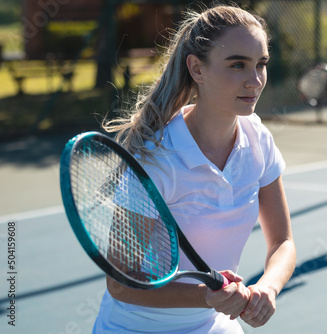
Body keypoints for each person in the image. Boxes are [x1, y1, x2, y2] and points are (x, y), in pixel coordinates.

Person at [92, 4, 296, 333]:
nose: (255, 80)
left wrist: (268, 288)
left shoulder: (259, 139)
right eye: (238, 65)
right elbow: (120, 283)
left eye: (261, 64)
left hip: (213, 324)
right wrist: (206, 296)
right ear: (197, 69)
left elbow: (283, 242)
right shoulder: (156, 158)